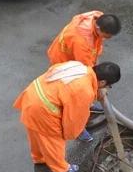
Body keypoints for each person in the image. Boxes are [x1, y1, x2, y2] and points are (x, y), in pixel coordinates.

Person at [13, 61, 121, 172]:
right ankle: (61, 169)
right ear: (102, 82)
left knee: (36, 134)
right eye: (108, 86)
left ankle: (39, 158)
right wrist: (73, 133)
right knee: (54, 140)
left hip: (32, 97)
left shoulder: (79, 67)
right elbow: (73, 119)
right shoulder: (84, 90)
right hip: (43, 111)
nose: (108, 88)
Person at [46, 11, 121, 141]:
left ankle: (87, 107)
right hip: (64, 61)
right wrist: (98, 91)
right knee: (76, 101)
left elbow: (93, 61)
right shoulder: (82, 41)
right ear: (98, 28)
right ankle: (78, 130)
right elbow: (88, 71)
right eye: (106, 36)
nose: (106, 39)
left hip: (75, 57)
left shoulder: (97, 17)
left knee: (84, 95)